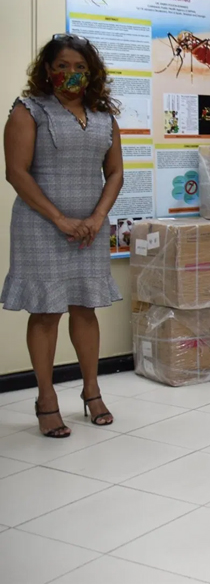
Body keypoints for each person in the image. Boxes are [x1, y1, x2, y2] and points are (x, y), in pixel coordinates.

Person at [2, 35, 124, 437]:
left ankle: (91, 392)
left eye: (79, 68)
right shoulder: (29, 110)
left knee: (86, 308)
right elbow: (16, 172)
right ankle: (46, 398)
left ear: (91, 73)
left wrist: (97, 216)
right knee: (47, 311)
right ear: (47, 70)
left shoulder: (104, 116)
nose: (71, 74)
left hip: (89, 228)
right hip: (41, 226)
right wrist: (59, 218)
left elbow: (115, 173)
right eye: (62, 66)